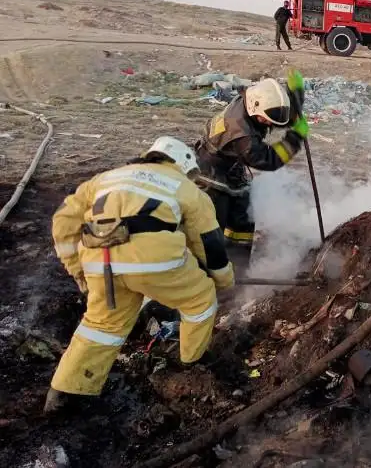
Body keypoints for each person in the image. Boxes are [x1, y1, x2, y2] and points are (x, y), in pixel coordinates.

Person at [45, 136, 234, 413]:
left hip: (100, 262)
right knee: (201, 300)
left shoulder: (105, 178)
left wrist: (78, 270)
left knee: (102, 325)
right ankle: (190, 361)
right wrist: (224, 280)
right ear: (183, 164)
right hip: (155, 262)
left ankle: (64, 392)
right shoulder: (186, 188)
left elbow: (62, 223)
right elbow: (209, 241)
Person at [193, 71, 309, 269]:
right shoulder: (241, 133)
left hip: (231, 168)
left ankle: (237, 267)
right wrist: (295, 139)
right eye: (267, 120)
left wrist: (296, 98)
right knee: (213, 229)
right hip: (211, 176)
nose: (270, 124)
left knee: (243, 218)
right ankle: (212, 274)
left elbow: (276, 115)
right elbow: (268, 160)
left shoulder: (252, 100)